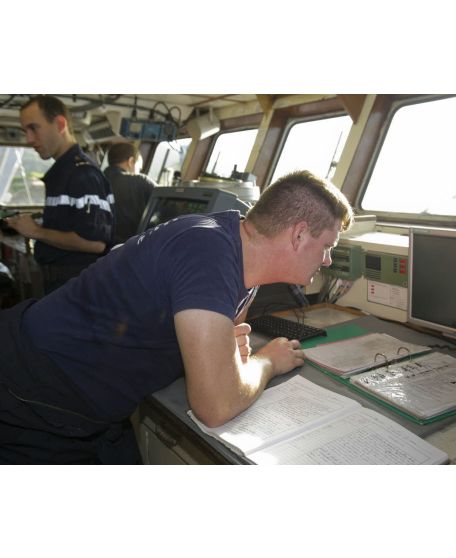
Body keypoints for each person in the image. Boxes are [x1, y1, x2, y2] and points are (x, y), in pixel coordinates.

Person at [0, 170, 354, 464]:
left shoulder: (242, 255)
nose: (326, 260)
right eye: (327, 246)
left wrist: (231, 357)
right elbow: (214, 406)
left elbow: (230, 350)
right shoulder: (208, 253)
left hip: (91, 404)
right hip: (33, 395)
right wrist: (269, 362)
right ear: (298, 235)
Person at [6, 95, 114, 294]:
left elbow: (96, 243)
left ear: (60, 124)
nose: (29, 139)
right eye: (25, 131)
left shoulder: (83, 174)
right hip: (59, 285)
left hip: (76, 288)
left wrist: (36, 231)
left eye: (34, 128)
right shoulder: (64, 172)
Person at [103, 142, 156, 244]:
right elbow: (166, 202)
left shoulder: (97, 178)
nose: (139, 171)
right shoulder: (141, 181)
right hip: (127, 247)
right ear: (131, 161)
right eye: (139, 168)